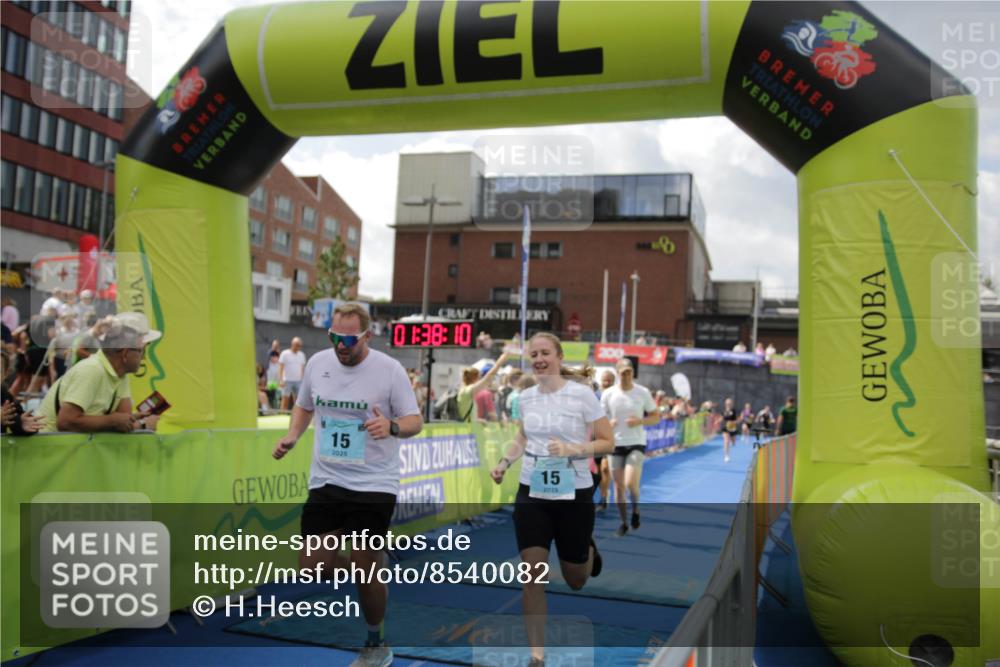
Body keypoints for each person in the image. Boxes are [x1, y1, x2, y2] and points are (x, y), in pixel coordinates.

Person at [272, 303, 423, 667]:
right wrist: (294, 436)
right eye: (335, 337)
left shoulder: (389, 370)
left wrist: (392, 427)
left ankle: (376, 643)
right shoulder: (318, 363)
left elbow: (415, 420)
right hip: (328, 478)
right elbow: (305, 405)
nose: (341, 345)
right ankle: (371, 568)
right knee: (311, 567)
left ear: (367, 336)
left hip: (374, 481)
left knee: (364, 562)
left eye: (350, 339)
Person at [489, 332, 614, 667]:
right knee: (532, 574)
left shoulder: (582, 395)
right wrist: (504, 462)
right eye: (534, 355)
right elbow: (522, 436)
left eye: (545, 353)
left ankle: (587, 548)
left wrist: (576, 449)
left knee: (576, 579)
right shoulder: (526, 397)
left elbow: (608, 442)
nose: (539, 359)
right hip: (533, 491)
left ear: (559, 357)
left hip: (574, 492)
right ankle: (537, 657)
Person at [36, 312, 162, 433]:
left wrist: (132, 421)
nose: (144, 357)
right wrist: (139, 425)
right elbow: (66, 422)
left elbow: (123, 418)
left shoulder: (119, 373)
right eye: (142, 351)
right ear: (125, 353)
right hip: (49, 451)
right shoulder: (92, 370)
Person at [601, 358, 658, 535]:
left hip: (636, 443)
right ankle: (624, 522)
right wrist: (607, 424)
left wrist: (640, 421)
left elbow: (656, 417)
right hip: (616, 444)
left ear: (633, 373)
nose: (626, 376)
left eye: (629, 372)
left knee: (630, 483)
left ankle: (635, 510)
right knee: (618, 487)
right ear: (617, 374)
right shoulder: (608, 394)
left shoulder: (642, 392)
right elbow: (598, 421)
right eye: (622, 373)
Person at [457, 354, 510, 422]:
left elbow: (467, 415)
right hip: (468, 431)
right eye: (479, 378)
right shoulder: (467, 391)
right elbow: (487, 378)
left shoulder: (464, 391)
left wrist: (479, 420)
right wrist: (498, 364)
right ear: (474, 379)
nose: (480, 380)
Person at [278, 337, 307, 410]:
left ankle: (295, 417)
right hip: (287, 380)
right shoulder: (285, 353)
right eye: (297, 345)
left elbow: (302, 369)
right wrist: (281, 380)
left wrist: (303, 381)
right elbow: (281, 368)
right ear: (292, 344)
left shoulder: (302, 355)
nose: (298, 347)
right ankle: (282, 416)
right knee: (285, 400)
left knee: (298, 402)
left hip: (298, 381)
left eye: (299, 345)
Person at [721, 397, 739, 463]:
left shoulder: (734, 411)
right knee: (726, 441)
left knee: (733, 442)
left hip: (732, 428)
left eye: (729, 403)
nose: (728, 405)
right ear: (725, 404)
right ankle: (726, 456)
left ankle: (733, 441)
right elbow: (722, 418)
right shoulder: (723, 411)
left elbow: (737, 420)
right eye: (727, 403)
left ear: (732, 404)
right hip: (725, 427)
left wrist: (733, 422)